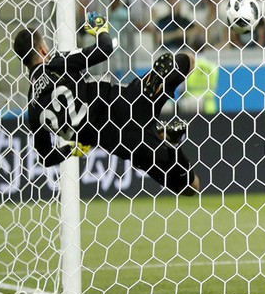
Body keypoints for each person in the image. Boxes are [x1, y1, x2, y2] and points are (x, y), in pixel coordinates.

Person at [13, 14, 199, 195]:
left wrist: (70, 149)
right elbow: (105, 48)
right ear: (43, 50)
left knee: (191, 186)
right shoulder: (55, 63)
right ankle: (155, 87)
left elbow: (45, 157)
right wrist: (101, 29)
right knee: (187, 60)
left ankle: (173, 145)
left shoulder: (33, 108)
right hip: (125, 101)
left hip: (122, 140)